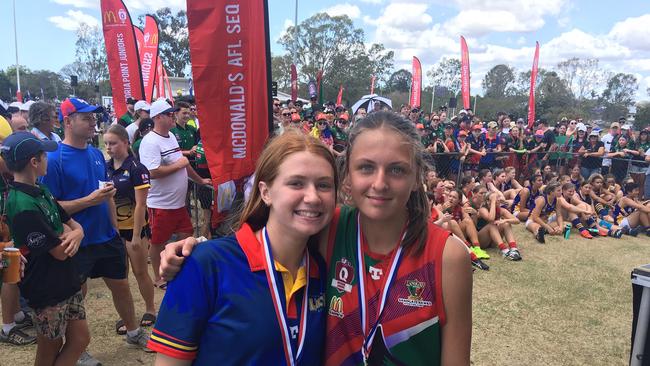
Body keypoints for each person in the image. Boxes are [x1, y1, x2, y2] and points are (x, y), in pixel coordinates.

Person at [157, 111, 472, 365]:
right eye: (365, 167)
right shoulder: (330, 228)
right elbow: (270, 235)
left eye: (397, 170)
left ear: (417, 177)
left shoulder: (446, 256)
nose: (380, 183)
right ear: (347, 176)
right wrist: (191, 252)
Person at [147, 130, 335, 365]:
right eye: (296, 183)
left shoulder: (326, 271)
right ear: (265, 192)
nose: (313, 197)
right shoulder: (205, 264)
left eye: (324, 185)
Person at [41, 98, 150, 365]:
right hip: (77, 242)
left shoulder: (95, 154)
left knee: (122, 286)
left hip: (106, 238)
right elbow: (50, 207)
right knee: (76, 297)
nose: (93, 123)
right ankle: (76, 349)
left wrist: (114, 229)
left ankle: (133, 332)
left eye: (93, 118)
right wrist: (89, 201)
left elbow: (107, 196)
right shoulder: (55, 159)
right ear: (67, 121)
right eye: (86, 118)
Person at [2, 131, 88, 365]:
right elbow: (60, 252)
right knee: (48, 349)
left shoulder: (41, 189)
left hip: (65, 280)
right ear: (34, 161)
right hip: (46, 287)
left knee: (80, 339)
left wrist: (77, 233)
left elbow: (70, 223)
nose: (48, 159)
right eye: (45, 155)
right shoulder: (21, 204)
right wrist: (71, 234)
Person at [138, 99, 210, 289]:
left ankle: (178, 269)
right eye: (169, 114)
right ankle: (159, 276)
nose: (173, 117)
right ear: (158, 117)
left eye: (173, 114)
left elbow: (183, 165)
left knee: (187, 235)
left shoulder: (170, 136)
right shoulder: (150, 141)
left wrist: (200, 181)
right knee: (157, 242)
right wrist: (181, 163)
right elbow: (152, 171)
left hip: (178, 203)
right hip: (161, 204)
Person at [104, 125, 157, 329]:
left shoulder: (136, 167)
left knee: (140, 272)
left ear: (125, 142)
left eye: (113, 143)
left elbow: (141, 204)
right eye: (107, 143)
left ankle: (150, 309)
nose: (109, 147)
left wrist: (136, 236)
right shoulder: (106, 167)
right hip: (114, 231)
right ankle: (128, 316)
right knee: (121, 277)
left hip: (135, 230)